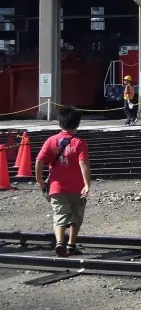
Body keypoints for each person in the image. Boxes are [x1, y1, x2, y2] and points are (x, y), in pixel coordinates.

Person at [34, 106, 91, 258]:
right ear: (78, 124)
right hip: (77, 187)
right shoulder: (79, 143)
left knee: (59, 215)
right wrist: (87, 184)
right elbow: (83, 163)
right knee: (76, 216)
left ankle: (60, 242)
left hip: (56, 187)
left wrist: (39, 179)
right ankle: (71, 245)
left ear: (60, 123)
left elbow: (39, 160)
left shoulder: (51, 141)